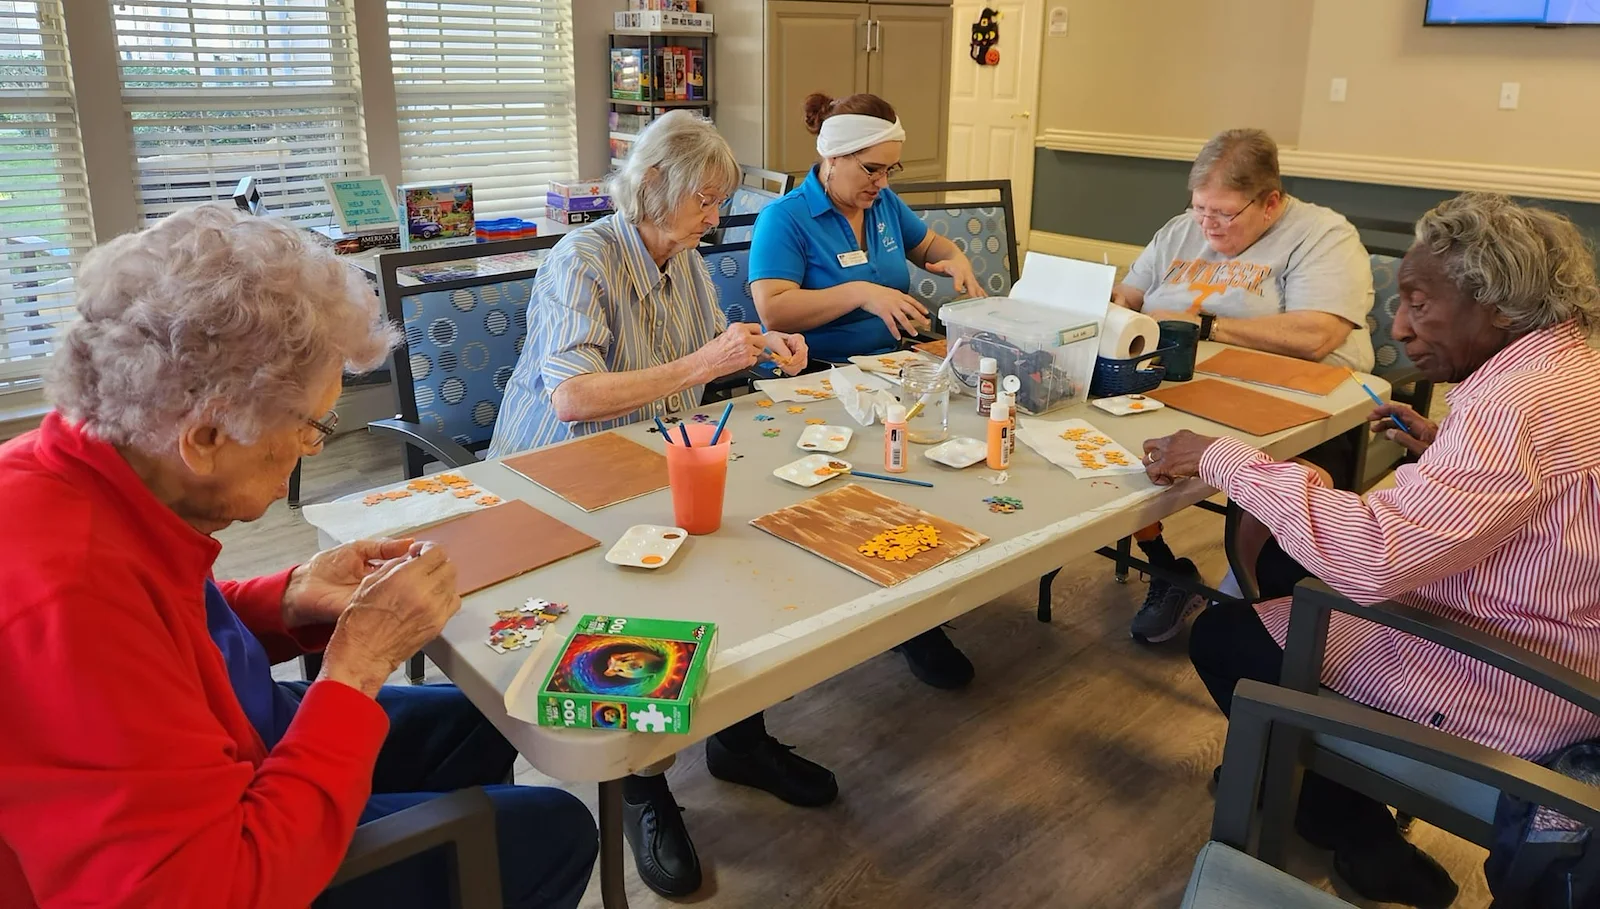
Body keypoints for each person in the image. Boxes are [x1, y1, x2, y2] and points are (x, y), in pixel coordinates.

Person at [0, 203, 598, 908]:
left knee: (477, 718)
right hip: (231, 857)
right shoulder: (69, 600)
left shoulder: (88, 463)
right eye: (313, 427)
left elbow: (174, 635)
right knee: (555, 826)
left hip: (234, 733)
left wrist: (286, 597)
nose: (315, 446)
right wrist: (355, 669)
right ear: (208, 435)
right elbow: (211, 888)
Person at [1144, 192, 1600, 909]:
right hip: (1559, 641)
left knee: (1225, 637)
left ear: (1501, 306)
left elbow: (1373, 557)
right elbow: (1538, 495)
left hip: (1510, 679)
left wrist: (1220, 456)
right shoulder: (1567, 369)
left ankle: (1353, 831)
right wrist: (1444, 446)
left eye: (1418, 303)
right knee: (1288, 562)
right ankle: (1315, 779)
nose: (1398, 326)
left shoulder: (1513, 407)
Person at [488, 111, 830, 902]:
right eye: (706, 200)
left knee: (741, 560)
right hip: (558, 478)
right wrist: (699, 363)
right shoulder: (583, 260)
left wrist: (758, 342)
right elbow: (572, 396)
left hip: (648, 459)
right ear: (652, 188)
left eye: (721, 201)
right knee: (641, 611)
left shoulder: (684, 259)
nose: (718, 217)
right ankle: (641, 787)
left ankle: (739, 739)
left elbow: (712, 340)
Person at [748, 90, 981, 690]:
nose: (881, 181)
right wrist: (861, 294)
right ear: (833, 157)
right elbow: (775, 310)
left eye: (890, 169)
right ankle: (902, 620)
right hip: (821, 379)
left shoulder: (884, 207)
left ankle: (919, 604)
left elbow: (929, 247)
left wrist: (955, 260)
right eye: (871, 168)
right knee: (880, 482)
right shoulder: (787, 218)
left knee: (944, 466)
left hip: (896, 370)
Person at [1110, 128, 1376, 645]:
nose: (1207, 225)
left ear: (1270, 202)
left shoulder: (1323, 235)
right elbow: (1133, 294)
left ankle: (1250, 608)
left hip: (1297, 401)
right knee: (1106, 448)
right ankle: (1165, 566)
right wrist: (1110, 299)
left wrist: (1203, 323)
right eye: (1199, 209)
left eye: (1223, 214)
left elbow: (1317, 335)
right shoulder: (1181, 229)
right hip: (1182, 382)